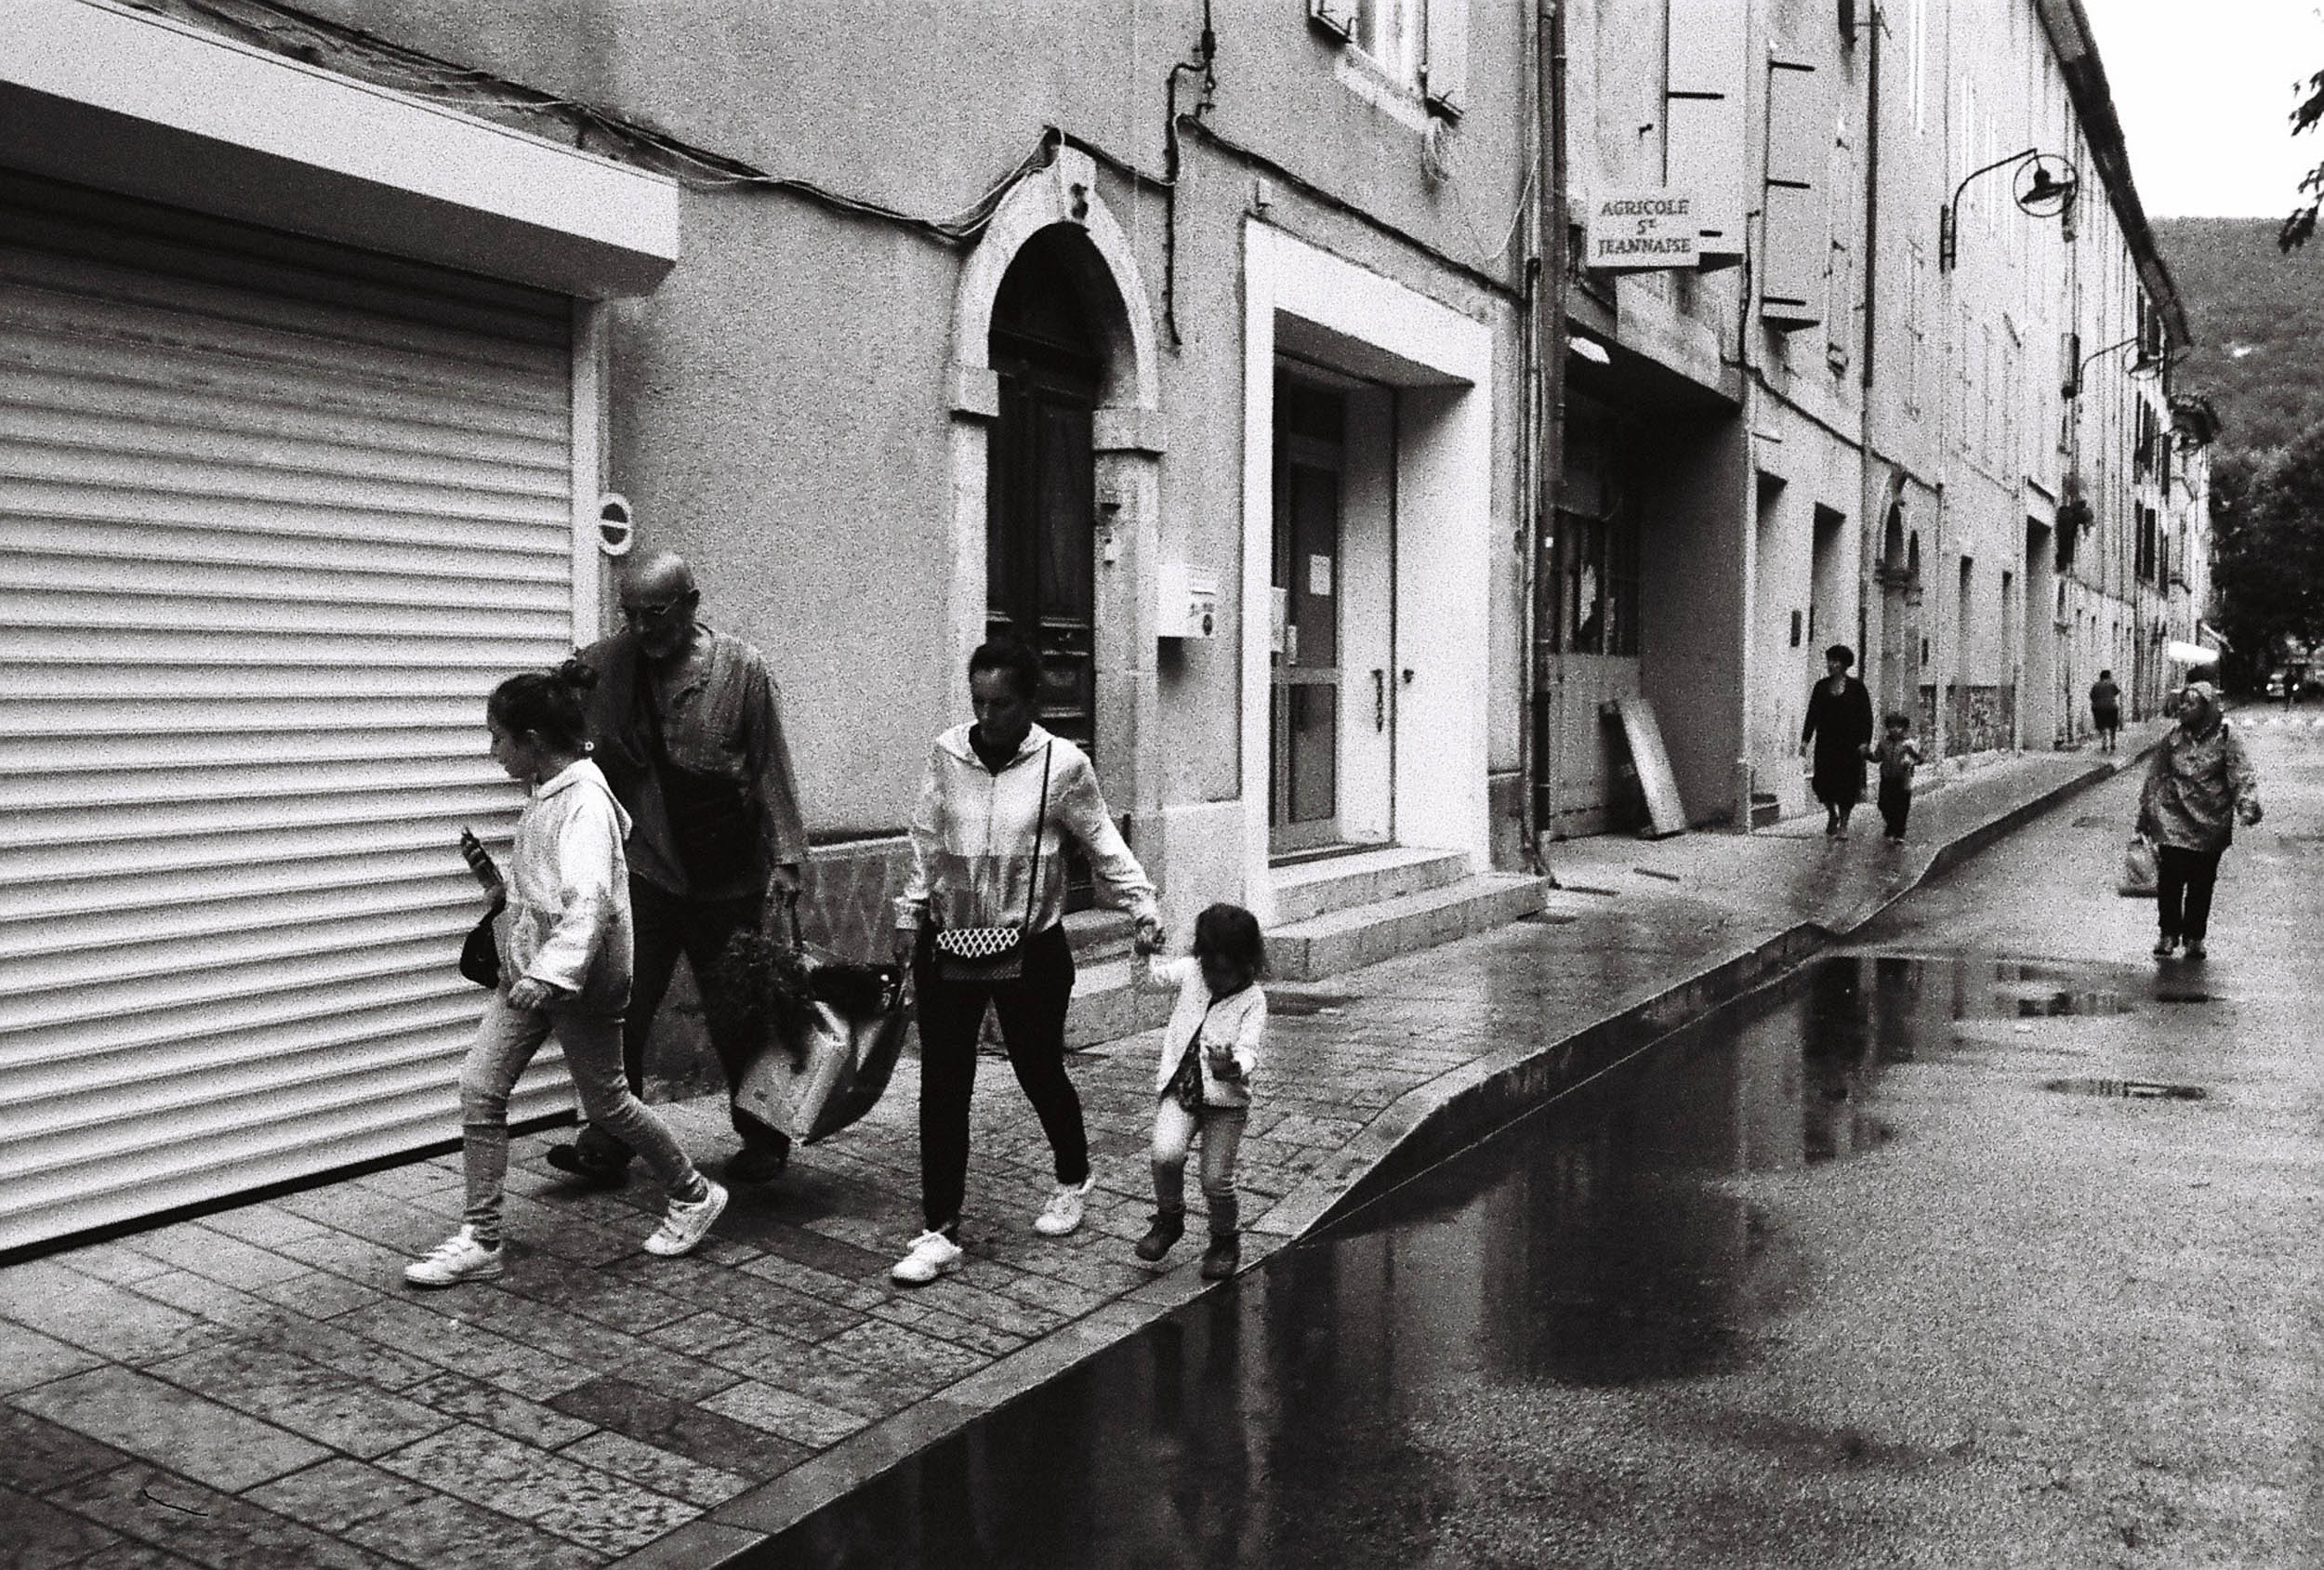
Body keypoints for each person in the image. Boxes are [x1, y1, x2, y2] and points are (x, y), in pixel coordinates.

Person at [407, 662, 726, 1286]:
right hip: (531, 975)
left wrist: (550, 975)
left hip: (577, 982)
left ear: (531, 740)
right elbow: (546, 891)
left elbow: (590, 903)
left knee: (608, 1102)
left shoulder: (584, 802)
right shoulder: (547, 791)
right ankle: (482, 1237)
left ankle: (694, 1193)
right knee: (480, 1088)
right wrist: (496, 886)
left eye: (498, 737)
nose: (493, 751)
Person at [888, 637, 1164, 1286]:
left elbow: (1101, 841)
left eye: (1002, 704)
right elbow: (927, 839)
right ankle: (939, 1229)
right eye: (978, 702)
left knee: (1037, 1069)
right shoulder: (947, 752)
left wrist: (1142, 906)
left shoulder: (1063, 765)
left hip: (1031, 946)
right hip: (950, 941)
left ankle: (1073, 1174)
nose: (987, 716)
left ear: (1031, 702)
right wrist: (909, 913)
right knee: (943, 1084)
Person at [546, 551, 810, 1190]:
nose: (642, 628)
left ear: (691, 603)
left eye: (656, 614)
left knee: (739, 1014)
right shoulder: (608, 664)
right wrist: (565, 691)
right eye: (630, 615)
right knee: (622, 1005)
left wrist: (788, 857)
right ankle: (610, 1135)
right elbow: (556, 721)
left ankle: (763, 1136)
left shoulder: (742, 668)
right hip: (648, 867)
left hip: (728, 872)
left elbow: (770, 763)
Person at [1134, 904, 1267, 1281]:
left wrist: (1233, 1065)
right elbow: (1148, 983)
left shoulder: (1253, 999)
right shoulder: (1193, 972)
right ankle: (1169, 1220)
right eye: (1210, 969)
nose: (1216, 979)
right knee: (1165, 1154)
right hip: (1181, 1090)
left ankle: (1224, 1240)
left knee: (1215, 1180)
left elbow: (1249, 1050)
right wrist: (1142, 954)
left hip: (1226, 1102)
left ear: (1246, 964)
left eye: (1226, 972)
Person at [2136, 679, 2261, 962]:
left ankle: (2195, 937)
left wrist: (2247, 805)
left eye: (2191, 703)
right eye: (2183, 702)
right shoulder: (2172, 738)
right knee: (2170, 879)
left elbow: (2241, 774)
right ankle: (2168, 933)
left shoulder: (2226, 738)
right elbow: (2155, 776)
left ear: (2207, 709)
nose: (2183, 707)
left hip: (2211, 822)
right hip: (2173, 818)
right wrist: (2146, 813)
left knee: (2201, 882)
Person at [1801, 644, 1875, 838]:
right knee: (1822, 783)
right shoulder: (1821, 687)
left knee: (1847, 785)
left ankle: (1844, 825)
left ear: (1844, 664)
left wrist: (1865, 742)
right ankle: (1832, 814)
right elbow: (1812, 714)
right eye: (1830, 660)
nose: (1831, 665)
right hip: (1826, 743)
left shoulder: (1857, 688)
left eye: (1836, 661)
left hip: (1850, 745)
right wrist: (1805, 740)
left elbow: (1866, 717)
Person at [1865, 713, 1923, 845]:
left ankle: (1899, 832)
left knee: (1901, 806)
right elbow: (1877, 757)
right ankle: (1891, 825)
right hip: (1887, 778)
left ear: (1904, 728)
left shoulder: (1909, 743)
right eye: (1891, 726)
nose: (1895, 730)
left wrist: (1911, 755)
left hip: (1903, 779)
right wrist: (1867, 754)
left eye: (1898, 727)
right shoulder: (1884, 743)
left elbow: (1920, 760)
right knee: (1883, 804)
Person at [2089, 669, 2122, 754]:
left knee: (2102, 726)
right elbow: (2117, 692)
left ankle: (2104, 742)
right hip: (2111, 707)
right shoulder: (2112, 684)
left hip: (2099, 708)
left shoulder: (2096, 685)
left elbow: (2092, 696)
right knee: (2112, 727)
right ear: (2109, 676)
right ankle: (2112, 742)